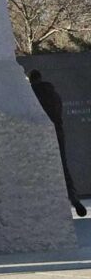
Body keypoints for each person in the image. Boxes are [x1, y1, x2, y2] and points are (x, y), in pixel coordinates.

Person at [28, 70, 87, 216]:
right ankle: (73, 198)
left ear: (30, 79)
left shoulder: (30, 94)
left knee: (39, 167)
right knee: (62, 167)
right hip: (57, 132)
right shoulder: (53, 94)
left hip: (39, 134)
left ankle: (45, 202)